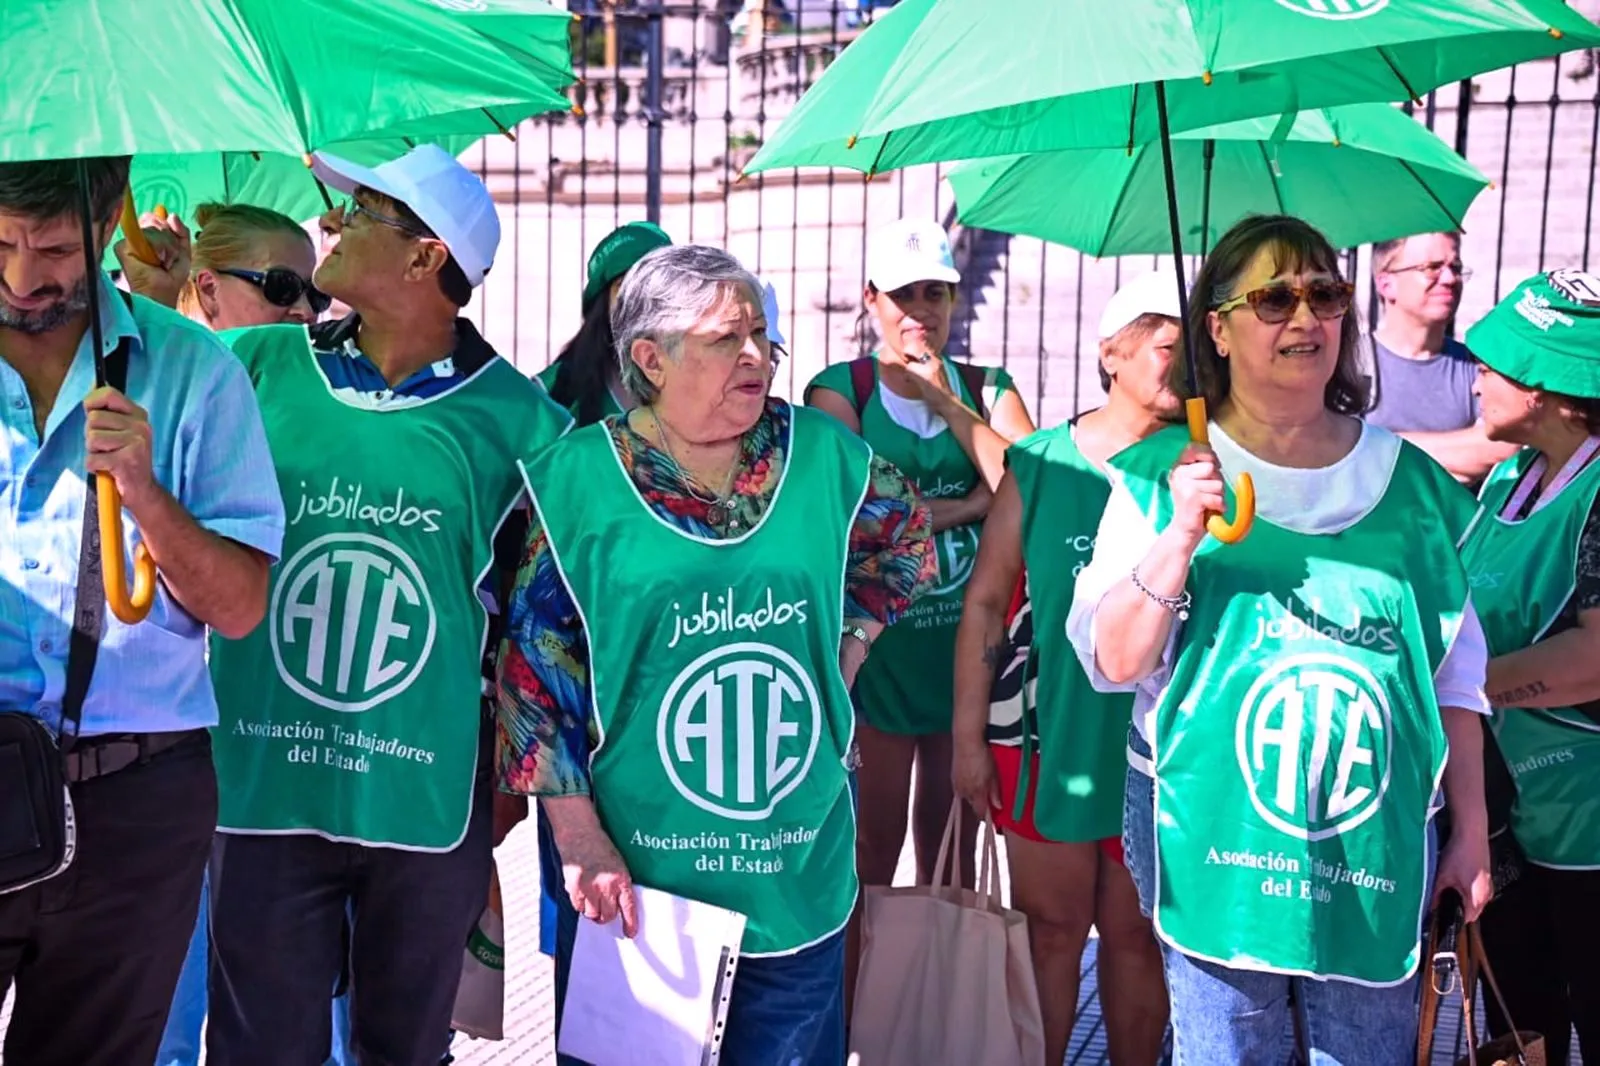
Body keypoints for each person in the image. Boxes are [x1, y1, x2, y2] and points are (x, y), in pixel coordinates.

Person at [120, 143, 573, 1066]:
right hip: (262, 789)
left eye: (361, 211)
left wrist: (522, 794)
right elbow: (131, 391)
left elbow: (548, 632)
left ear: (425, 257)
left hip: (423, 803)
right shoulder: (251, 364)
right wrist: (150, 299)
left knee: (401, 1054)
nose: (332, 222)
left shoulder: (529, 429)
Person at [1067, 214, 1494, 1062]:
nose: (1306, 318)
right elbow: (1114, 662)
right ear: (1217, 329)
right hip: (1208, 836)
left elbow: (1454, 677)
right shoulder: (1161, 481)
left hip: (1371, 842)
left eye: (1324, 293)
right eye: (1274, 298)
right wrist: (1179, 536)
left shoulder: (1413, 487)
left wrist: (1472, 829)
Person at [498, 244, 934, 1062]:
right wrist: (578, 839)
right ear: (650, 359)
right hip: (642, 885)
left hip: (794, 865)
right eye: (725, 339)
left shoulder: (827, 459)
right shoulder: (576, 482)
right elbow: (534, 675)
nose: (754, 356)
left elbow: (905, 543)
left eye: (762, 335)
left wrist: (849, 650)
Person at [0, 158, 282, 1066]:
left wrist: (148, 496)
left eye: (49, 248)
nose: (21, 279)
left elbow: (239, 609)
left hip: (135, 801)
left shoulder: (197, 375)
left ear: (106, 215)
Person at [804, 217, 1035, 1012]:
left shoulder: (991, 386)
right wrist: (968, 506)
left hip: (964, 660)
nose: (922, 311)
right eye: (904, 295)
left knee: (954, 846)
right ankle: (856, 1007)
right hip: (877, 660)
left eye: (936, 292)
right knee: (872, 848)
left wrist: (945, 398)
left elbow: (1026, 486)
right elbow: (855, 511)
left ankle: (937, 1011)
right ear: (872, 301)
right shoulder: (841, 391)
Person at [951, 271, 1178, 1066]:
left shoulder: (1207, 465)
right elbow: (985, 603)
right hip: (1046, 737)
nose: (1184, 367)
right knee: (1049, 932)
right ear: (1112, 353)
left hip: (1160, 743)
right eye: (1167, 346)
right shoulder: (1044, 461)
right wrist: (967, 738)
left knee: (1136, 937)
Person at [141, 201, 339, 1066]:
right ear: (210, 293)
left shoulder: (324, 405)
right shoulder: (152, 398)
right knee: (163, 1017)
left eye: (315, 295)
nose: (305, 311)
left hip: (288, 756)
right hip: (172, 756)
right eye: (284, 288)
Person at [1459, 269, 1600, 1064]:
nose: (1475, 376)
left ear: (1545, 387)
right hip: (1510, 815)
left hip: (1589, 823)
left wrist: (1461, 690)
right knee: (1519, 1028)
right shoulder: (1511, 478)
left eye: (1493, 364)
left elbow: (1595, 658)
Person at [1365, 231, 1514, 484]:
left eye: (1455, 267)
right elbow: (1328, 453)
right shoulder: (1349, 362)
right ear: (1386, 284)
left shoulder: (1478, 367)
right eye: (1432, 268)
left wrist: (1374, 447)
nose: (1449, 279)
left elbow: (1503, 448)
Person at [538, 220, 672, 422]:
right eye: (624, 286)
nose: (638, 299)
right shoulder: (554, 390)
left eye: (650, 284)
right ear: (603, 303)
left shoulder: (706, 377)